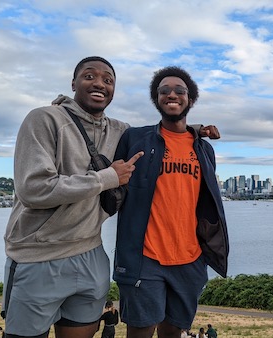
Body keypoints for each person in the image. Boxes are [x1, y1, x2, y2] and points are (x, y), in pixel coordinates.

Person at [1, 56, 219, 338]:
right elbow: (33, 189)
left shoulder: (120, 131)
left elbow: (166, 131)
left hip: (91, 253)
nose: (99, 84)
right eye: (89, 76)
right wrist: (108, 178)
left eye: (108, 80)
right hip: (38, 254)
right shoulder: (45, 118)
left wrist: (194, 130)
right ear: (73, 83)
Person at [112, 66, 229, 338]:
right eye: (164, 91)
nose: (171, 94)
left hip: (190, 260)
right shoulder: (135, 138)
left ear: (191, 98)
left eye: (179, 90)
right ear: (156, 99)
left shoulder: (203, 149)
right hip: (145, 258)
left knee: (174, 334)